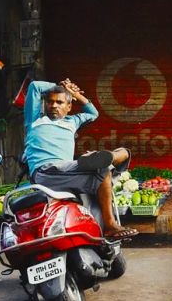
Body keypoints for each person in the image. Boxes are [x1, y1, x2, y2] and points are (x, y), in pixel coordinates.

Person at [23, 79, 138, 239]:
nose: (54, 105)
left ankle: (111, 156)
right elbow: (35, 86)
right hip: (46, 172)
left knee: (121, 154)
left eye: (59, 102)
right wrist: (64, 88)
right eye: (50, 102)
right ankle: (110, 225)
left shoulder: (72, 121)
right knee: (103, 170)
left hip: (66, 169)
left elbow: (93, 113)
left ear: (69, 107)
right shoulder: (35, 120)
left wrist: (76, 94)